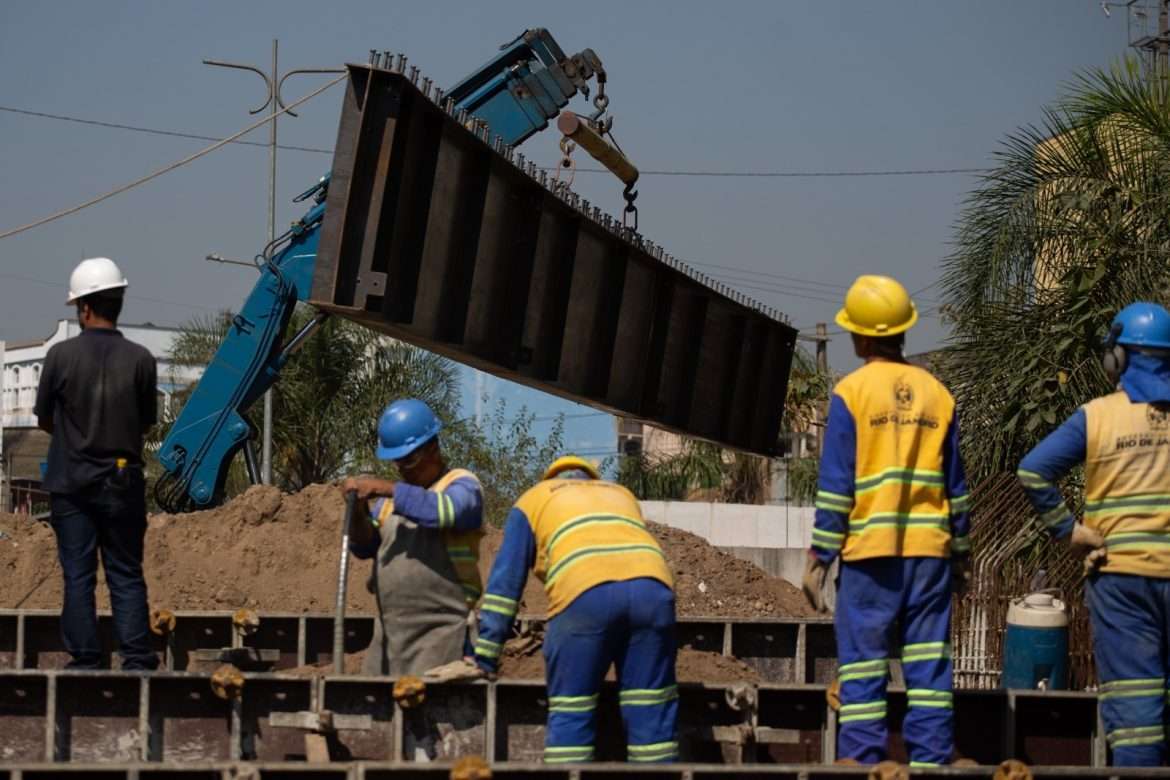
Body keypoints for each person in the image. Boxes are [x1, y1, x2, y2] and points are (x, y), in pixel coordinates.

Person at [802, 275, 971, 767]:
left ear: (858, 336)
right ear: (903, 331)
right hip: (929, 553)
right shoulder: (938, 394)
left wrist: (818, 559)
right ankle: (933, 759)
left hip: (870, 555)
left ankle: (863, 762)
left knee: (863, 662)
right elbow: (955, 489)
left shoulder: (851, 393)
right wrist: (961, 556)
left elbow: (837, 488)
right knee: (928, 662)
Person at [1017, 302, 1170, 767]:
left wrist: (1069, 530)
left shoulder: (1098, 416)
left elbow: (1034, 472)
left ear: (1117, 359)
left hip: (1120, 577)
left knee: (1137, 702)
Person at [474, 456, 678, 764]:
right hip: (654, 591)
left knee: (572, 710)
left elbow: (506, 584)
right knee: (650, 709)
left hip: (584, 593)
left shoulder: (534, 498)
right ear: (593, 479)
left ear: (549, 479)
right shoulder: (620, 493)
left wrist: (486, 656)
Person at [35, 257, 159, 671]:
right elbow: (144, 422)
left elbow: (45, 420)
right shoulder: (141, 359)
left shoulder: (59, 357)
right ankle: (138, 661)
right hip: (123, 482)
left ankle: (86, 660)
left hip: (71, 482)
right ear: (118, 302)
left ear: (83, 307)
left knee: (78, 574)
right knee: (125, 572)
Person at [343, 398, 484, 676]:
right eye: (397, 462)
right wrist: (358, 512)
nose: (402, 469)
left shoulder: (462, 486)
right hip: (389, 637)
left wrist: (385, 488)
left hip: (443, 635)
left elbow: (443, 512)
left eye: (409, 460)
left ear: (433, 448)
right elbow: (364, 547)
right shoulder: (389, 504)